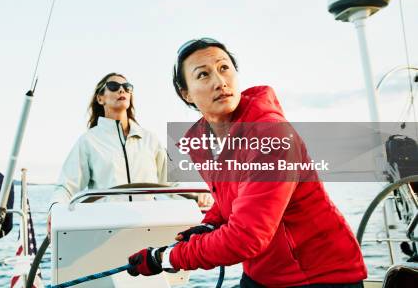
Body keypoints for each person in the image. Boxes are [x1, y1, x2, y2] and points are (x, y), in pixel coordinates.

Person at [127, 38, 367, 287]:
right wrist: (209, 225)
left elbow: (245, 237)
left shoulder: (270, 135)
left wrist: (164, 258)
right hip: (265, 273)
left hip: (317, 276)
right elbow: (227, 199)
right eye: (203, 75)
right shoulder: (206, 141)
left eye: (224, 68)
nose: (219, 82)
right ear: (185, 93)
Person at [47, 72, 169, 234]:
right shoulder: (89, 141)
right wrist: (55, 209)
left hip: (149, 225)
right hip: (108, 228)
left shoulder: (150, 139)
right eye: (114, 86)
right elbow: (67, 186)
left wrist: (200, 197)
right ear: (100, 98)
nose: (122, 90)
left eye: (127, 87)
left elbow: (172, 182)